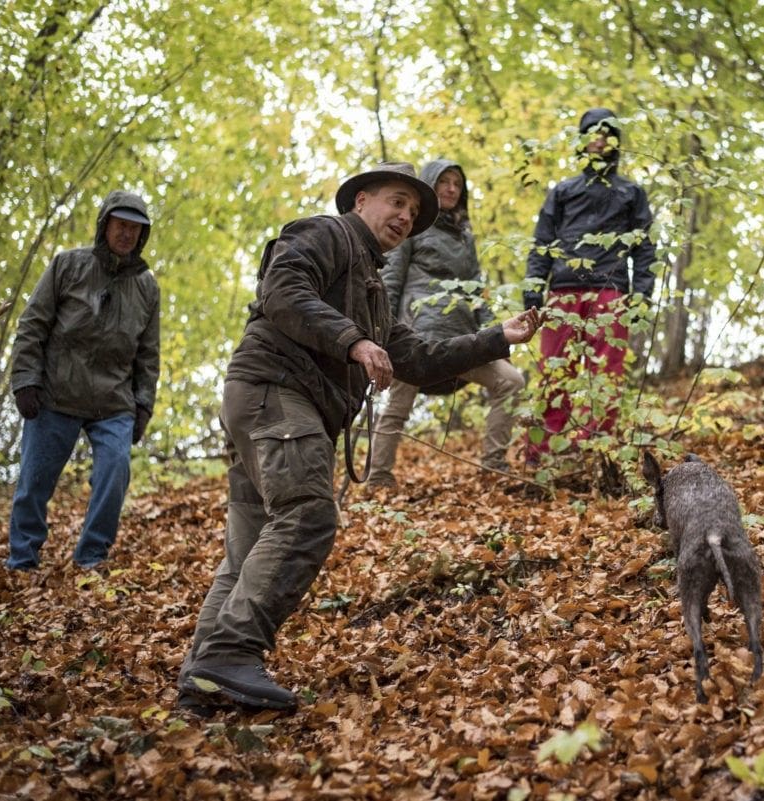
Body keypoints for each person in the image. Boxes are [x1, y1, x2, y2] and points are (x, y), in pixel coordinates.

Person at [178, 162, 541, 712]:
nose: (404, 217)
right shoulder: (323, 233)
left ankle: (204, 680)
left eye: (414, 213)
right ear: (361, 200)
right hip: (274, 390)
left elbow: (417, 357)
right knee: (308, 514)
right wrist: (352, 342)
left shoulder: (375, 293)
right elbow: (282, 289)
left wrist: (495, 338)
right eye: (397, 202)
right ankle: (229, 653)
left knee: (251, 548)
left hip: (277, 406)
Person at [7, 190, 159, 571]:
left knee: (115, 472)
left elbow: (148, 353)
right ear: (105, 225)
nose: (126, 234)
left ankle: (91, 557)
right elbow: (32, 325)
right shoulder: (67, 265)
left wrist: (143, 404)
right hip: (56, 393)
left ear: (142, 235)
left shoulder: (147, 287)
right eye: (120, 225)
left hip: (113, 402)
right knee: (34, 481)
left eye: (135, 228)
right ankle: (22, 559)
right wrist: (25, 379)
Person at [368, 159, 525, 489]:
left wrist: (497, 341)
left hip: (462, 339)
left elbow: (477, 291)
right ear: (429, 186)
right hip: (415, 336)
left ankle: (493, 468)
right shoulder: (409, 227)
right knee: (396, 408)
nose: (452, 188)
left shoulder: (466, 238)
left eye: (457, 183)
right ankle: (378, 478)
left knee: (511, 381)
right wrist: (386, 333)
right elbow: (392, 281)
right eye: (444, 181)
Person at [522, 107, 656, 463]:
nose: (598, 138)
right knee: (555, 370)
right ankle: (544, 453)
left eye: (605, 132)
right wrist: (534, 287)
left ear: (615, 140)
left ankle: (597, 452)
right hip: (563, 289)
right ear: (582, 141)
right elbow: (542, 243)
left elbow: (644, 248)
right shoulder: (563, 191)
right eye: (591, 133)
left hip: (611, 291)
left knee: (606, 376)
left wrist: (642, 295)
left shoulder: (632, 192)